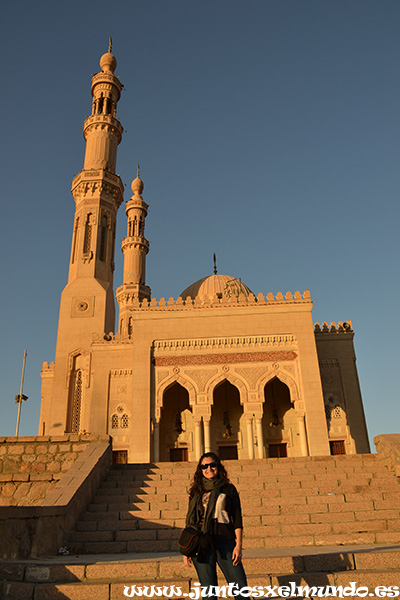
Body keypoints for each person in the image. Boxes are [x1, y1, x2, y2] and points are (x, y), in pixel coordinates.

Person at [183, 452, 247, 598]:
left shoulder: (228, 489)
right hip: (201, 544)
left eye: (212, 465)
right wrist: (187, 550)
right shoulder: (196, 491)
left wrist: (238, 545)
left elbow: (237, 519)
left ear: (218, 466)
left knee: (240, 589)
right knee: (209, 593)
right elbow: (190, 521)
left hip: (226, 542)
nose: (208, 468)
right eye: (204, 466)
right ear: (200, 469)